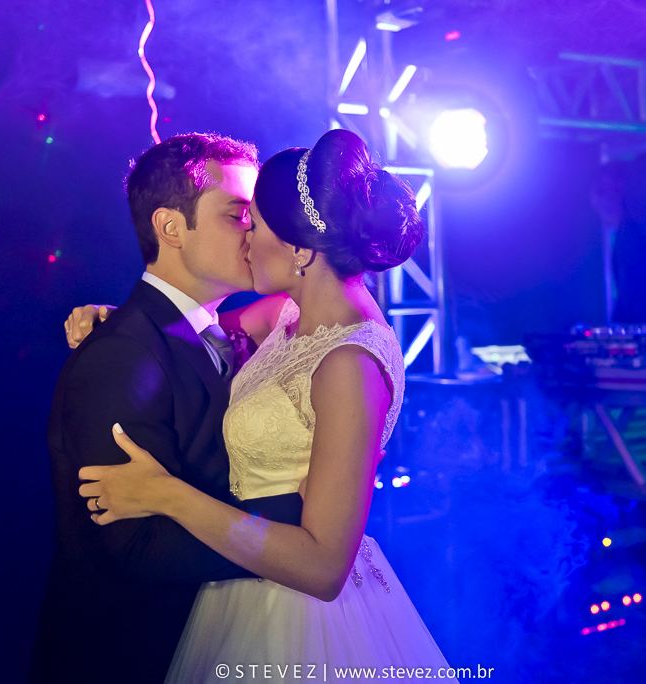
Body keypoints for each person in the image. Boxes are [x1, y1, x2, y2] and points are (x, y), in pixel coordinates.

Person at [69, 129, 453, 681]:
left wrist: (166, 495)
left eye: (255, 224)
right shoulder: (288, 315)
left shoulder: (349, 364)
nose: (245, 239)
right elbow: (192, 335)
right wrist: (115, 320)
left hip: (305, 620)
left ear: (301, 249)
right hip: (237, 592)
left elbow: (323, 568)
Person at [29, 133, 308, 684]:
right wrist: (297, 529)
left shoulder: (221, 332)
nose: (256, 231)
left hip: (220, 641)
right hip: (130, 659)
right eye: (238, 214)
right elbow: (133, 548)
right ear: (171, 227)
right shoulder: (120, 356)